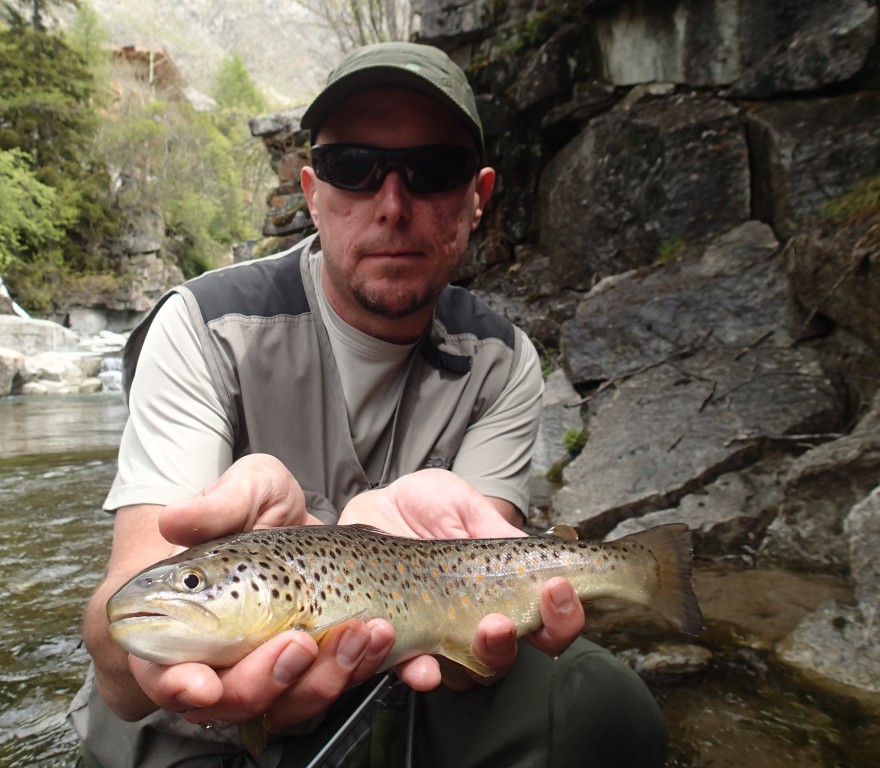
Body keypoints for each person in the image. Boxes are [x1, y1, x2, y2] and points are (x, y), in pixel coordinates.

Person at [70, 41, 668, 768]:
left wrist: (475, 638)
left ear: (478, 197)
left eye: (433, 172)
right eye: (353, 168)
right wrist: (125, 654)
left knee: (600, 703)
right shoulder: (204, 328)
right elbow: (121, 634)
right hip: (178, 735)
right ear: (312, 192)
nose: (392, 206)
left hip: (388, 698)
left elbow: (473, 639)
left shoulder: (504, 363)